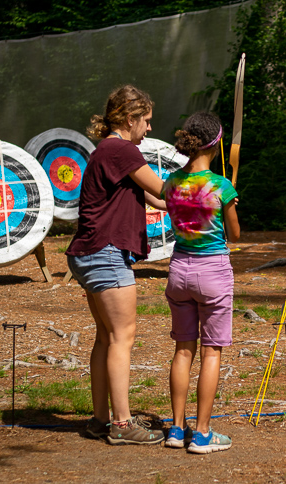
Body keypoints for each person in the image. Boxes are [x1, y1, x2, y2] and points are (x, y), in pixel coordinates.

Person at [66, 85, 168, 445]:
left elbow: (156, 197)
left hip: (92, 251)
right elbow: (165, 189)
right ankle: (123, 426)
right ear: (130, 119)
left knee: (106, 338)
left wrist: (200, 202)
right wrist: (208, 186)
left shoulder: (109, 150)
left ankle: (100, 419)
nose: (150, 129)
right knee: (122, 337)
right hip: (104, 253)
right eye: (147, 121)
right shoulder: (121, 149)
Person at [161, 111, 240, 454]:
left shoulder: (172, 181)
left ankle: (177, 431)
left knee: (183, 349)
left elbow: (172, 209)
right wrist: (230, 203)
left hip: (179, 269)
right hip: (213, 272)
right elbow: (234, 235)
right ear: (217, 142)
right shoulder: (221, 186)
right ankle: (203, 434)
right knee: (211, 352)